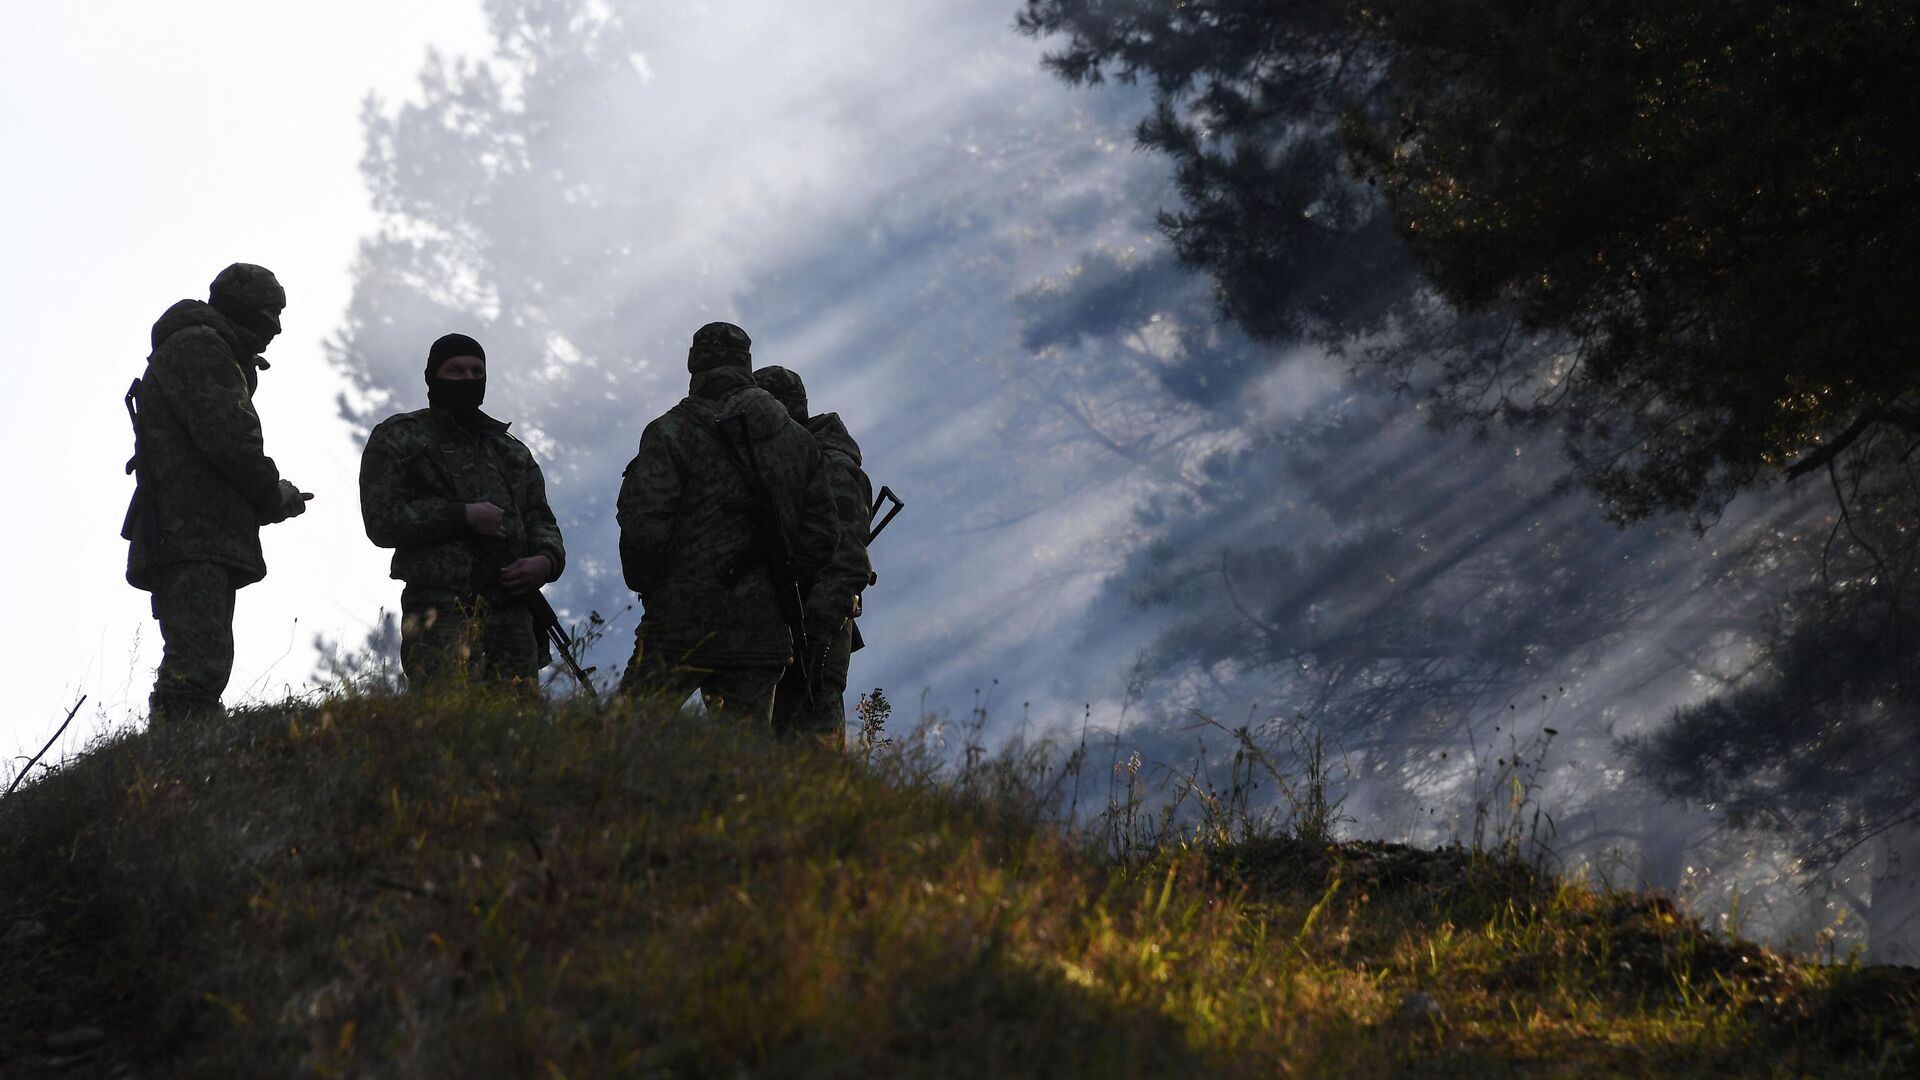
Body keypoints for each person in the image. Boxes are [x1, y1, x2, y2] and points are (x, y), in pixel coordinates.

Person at [615, 323, 838, 722]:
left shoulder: (670, 431)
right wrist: (777, 583)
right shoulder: (800, 442)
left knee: (626, 733)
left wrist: (651, 587)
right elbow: (823, 536)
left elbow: (643, 528)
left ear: (693, 365)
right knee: (744, 762)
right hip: (764, 627)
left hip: (680, 622)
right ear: (747, 366)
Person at [124, 263, 312, 724]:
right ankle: (176, 769)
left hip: (194, 530)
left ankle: (182, 762)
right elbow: (230, 439)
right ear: (243, 307)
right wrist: (273, 494)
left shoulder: (207, 348)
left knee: (201, 656)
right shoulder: (201, 347)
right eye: (270, 312)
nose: (277, 327)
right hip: (189, 531)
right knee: (197, 664)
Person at [358, 333, 567, 690]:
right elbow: (382, 521)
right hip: (440, 609)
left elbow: (540, 519)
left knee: (521, 726)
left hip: (513, 611)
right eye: (455, 370)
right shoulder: (400, 438)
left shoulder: (510, 451)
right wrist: (461, 516)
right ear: (432, 376)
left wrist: (546, 561)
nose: (468, 379)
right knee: (446, 720)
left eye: (476, 371)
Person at [752, 365, 873, 748]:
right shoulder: (793, 462)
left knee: (814, 754)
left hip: (816, 631)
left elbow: (846, 559)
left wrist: (813, 631)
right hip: (784, 625)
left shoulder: (830, 465)